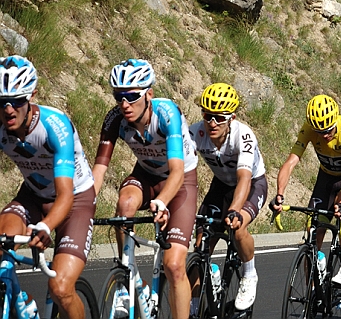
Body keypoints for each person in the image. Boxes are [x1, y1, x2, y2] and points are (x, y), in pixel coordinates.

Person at [92, 59, 198, 319]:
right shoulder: (116, 118)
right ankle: (126, 277)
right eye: (119, 96)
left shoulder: (167, 114)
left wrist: (162, 201)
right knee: (125, 203)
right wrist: (84, 205)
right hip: (147, 174)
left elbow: (176, 172)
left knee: (173, 265)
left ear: (149, 94)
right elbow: (98, 171)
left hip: (180, 180)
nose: (124, 104)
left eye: (131, 96)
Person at [0, 55, 96, 319]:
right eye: (1, 103)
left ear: (32, 95)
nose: (9, 110)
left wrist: (46, 225)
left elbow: (65, 193)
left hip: (74, 199)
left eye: (17, 101)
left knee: (61, 288)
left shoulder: (54, 126)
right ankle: (19, 302)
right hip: (32, 195)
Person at [269, 94, 341, 286]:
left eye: (328, 130)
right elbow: (291, 162)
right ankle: (312, 294)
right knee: (312, 229)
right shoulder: (308, 129)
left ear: (336, 121)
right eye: (319, 131)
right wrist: (280, 194)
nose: (324, 136)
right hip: (327, 178)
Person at [189, 83, 266, 311]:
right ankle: (193, 305)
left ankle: (249, 275)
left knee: (238, 226)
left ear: (231, 118)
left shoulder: (244, 136)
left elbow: (244, 178)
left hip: (251, 185)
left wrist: (234, 210)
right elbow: (178, 168)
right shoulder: (196, 133)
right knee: (200, 246)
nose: (212, 123)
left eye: (219, 118)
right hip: (221, 186)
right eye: (208, 116)